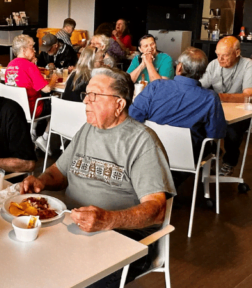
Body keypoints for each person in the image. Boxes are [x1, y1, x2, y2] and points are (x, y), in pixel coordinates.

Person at [20, 67, 175, 284]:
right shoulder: (87, 129)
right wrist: (41, 181)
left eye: (95, 96)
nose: (85, 101)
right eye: (87, 94)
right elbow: (59, 172)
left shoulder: (142, 142)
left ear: (119, 104)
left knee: (70, 279)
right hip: (70, 225)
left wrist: (107, 220)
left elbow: (156, 211)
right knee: (23, 258)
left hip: (122, 237)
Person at [130, 47, 227, 181]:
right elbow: (215, 133)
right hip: (187, 158)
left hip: (150, 152)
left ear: (179, 67)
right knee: (213, 147)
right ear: (203, 73)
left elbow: (133, 117)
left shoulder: (155, 86)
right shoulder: (210, 98)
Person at [200, 36, 252, 176]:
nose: (220, 59)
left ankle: (229, 162)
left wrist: (218, 96)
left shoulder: (249, 65)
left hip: (241, 111)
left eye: (225, 55)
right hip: (218, 109)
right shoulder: (213, 65)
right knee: (197, 122)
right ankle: (211, 152)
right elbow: (200, 86)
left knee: (232, 131)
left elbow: (248, 96)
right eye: (217, 55)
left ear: (237, 53)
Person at [5, 34, 57, 120]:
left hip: (15, 109)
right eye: (32, 47)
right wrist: (53, 80)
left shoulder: (10, 64)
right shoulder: (29, 66)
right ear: (23, 50)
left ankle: (38, 126)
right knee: (58, 102)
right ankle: (46, 128)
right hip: (33, 109)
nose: (34, 51)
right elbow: (47, 89)